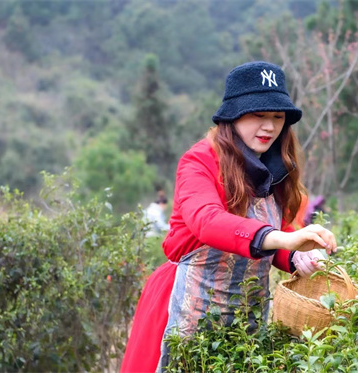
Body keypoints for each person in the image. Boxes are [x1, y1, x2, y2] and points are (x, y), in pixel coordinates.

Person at [121, 61, 337, 372]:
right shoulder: (199, 161)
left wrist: (299, 257)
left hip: (244, 315)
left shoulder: (274, 166)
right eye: (258, 115)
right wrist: (284, 238)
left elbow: (279, 229)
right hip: (181, 306)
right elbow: (207, 221)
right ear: (233, 116)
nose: (269, 127)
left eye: (278, 117)